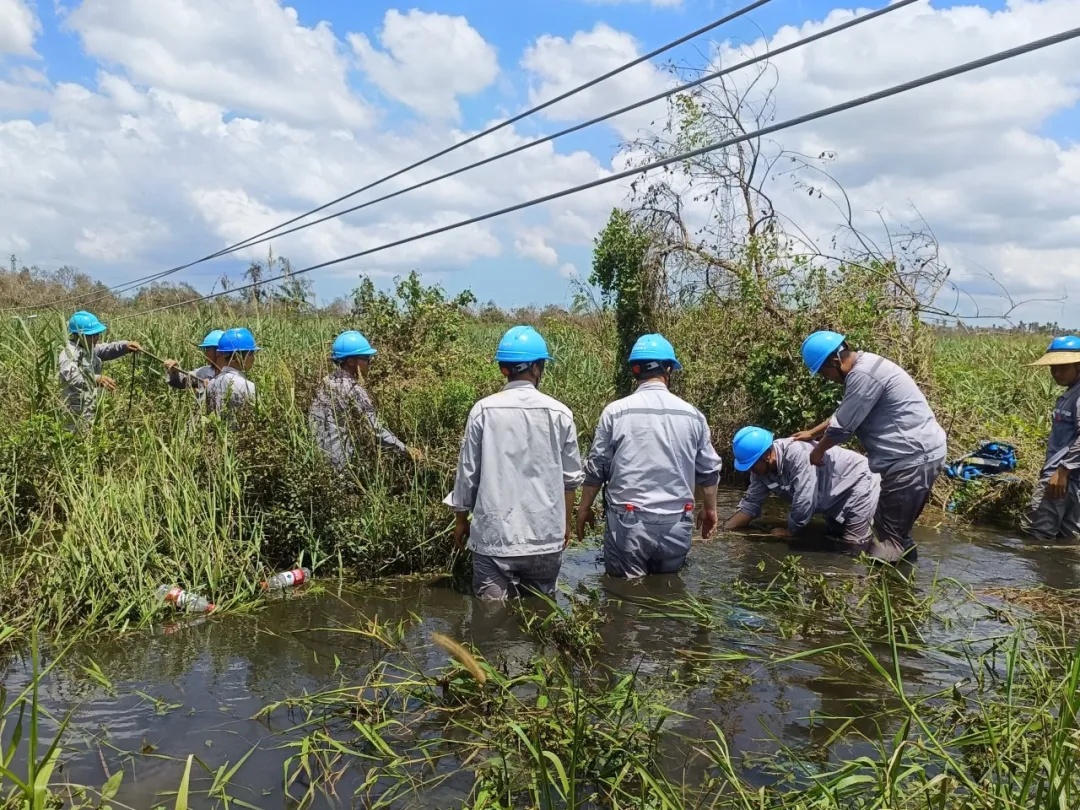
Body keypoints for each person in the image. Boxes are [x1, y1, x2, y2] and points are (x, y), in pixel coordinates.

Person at [449, 325, 584, 600]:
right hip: (545, 539)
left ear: (504, 369)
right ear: (535, 368)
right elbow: (570, 481)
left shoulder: (483, 410)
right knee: (541, 615)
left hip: (494, 540)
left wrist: (461, 520)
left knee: (491, 622)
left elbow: (467, 474)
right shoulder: (560, 413)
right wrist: (565, 526)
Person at [792, 331, 947, 563]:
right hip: (918, 456)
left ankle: (879, 594)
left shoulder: (863, 376)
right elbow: (844, 413)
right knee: (896, 534)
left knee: (885, 540)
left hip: (911, 460)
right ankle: (905, 593)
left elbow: (842, 427)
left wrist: (818, 450)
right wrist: (812, 433)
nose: (827, 379)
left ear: (835, 362)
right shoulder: (867, 366)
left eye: (824, 374)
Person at [577, 334, 722, 579]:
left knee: (625, 599)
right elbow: (708, 471)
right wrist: (710, 510)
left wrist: (584, 508)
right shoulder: (693, 415)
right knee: (667, 593)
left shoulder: (616, 412)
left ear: (636, 371)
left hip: (629, 521)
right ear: (668, 369)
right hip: (678, 521)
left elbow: (597, 467)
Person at [724, 425, 880, 554]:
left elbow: (805, 499)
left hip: (858, 483)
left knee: (853, 547)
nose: (750, 471)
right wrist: (724, 529)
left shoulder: (797, 454)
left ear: (766, 456)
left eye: (751, 466)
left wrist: (790, 531)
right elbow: (751, 504)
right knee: (834, 538)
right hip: (831, 497)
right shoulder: (760, 472)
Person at [309, 330, 423, 470]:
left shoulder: (326, 382)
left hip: (318, 459)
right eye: (366, 359)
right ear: (351, 361)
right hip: (340, 464)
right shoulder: (352, 390)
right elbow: (375, 430)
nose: (369, 364)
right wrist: (406, 450)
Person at [1022, 335, 1080, 540]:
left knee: (1036, 533)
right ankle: (1058, 573)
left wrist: (1063, 471)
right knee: (1068, 538)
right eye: (1053, 367)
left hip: (1062, 479)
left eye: (1063, 367)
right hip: (1071, 481)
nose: (1056, 372)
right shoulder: (1071, 394)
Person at [59, 310, 142, 427]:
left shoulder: (90, 348)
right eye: (91, 335)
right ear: (78, 335)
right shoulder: (69, 353)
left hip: (91, 407)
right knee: (77, 439)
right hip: (75, 411)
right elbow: (71, 376)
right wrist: (95, 379)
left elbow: (107, 349)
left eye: (97, 334)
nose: (96, 338)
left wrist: (125, 346)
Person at [205, 327, 258, 419]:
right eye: (251, 353)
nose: (253, 358)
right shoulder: (248, 387)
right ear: (236, 356)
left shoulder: (211, 384)